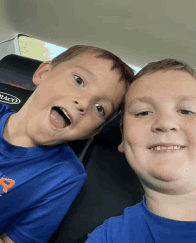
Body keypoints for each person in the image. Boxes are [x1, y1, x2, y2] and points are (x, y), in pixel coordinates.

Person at [0, 45, 135, 243]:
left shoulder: (64, 175)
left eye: (99, 108)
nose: (84, 103)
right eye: (79, 81)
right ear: (43, 73)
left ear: (91, 132)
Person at [86, 58, 196, 243]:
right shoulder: (110, 237)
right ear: (123, 137)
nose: (165, 123)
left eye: (187, 111)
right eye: (143, 112)